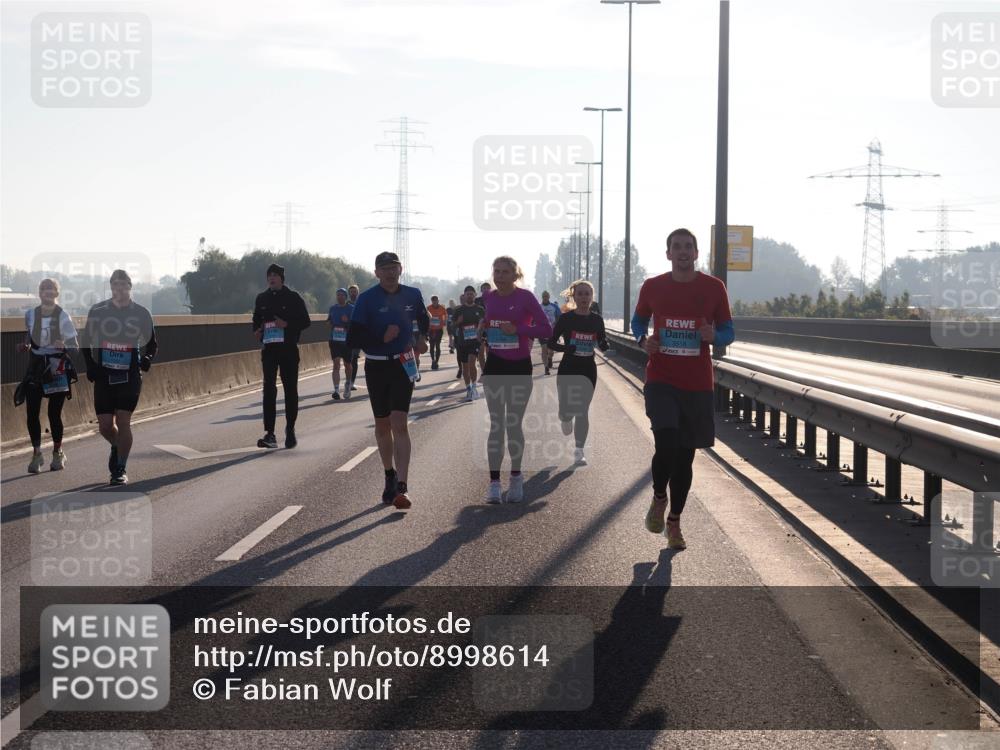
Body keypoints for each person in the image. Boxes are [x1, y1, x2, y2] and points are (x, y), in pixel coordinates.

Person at [631, 228, 735, 550]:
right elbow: (638, 322)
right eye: (676, 246)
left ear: (696, 253)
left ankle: (674, 520)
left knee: (686, 458)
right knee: (667, 443)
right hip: (661, 379)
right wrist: (642, 340)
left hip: (697, 385)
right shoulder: (653, 286)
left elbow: (729, 331)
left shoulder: (714, 288)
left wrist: (713, 337)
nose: (682, 251)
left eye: (688, 246)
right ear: (668, 254)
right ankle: (659, 496)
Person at [346, 252, 429, 510]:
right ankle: (389, 474)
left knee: (399, 422)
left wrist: (421, 338)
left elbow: (423, 319)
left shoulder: (412, 295)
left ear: (401, 269)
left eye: (394, 268)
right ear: (377, 273)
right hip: (376, 366)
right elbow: (353, 339)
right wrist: (380, 337)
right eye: (385, 269)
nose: (390, 273)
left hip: (403, 364)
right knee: (382, 425)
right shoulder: (367, 299)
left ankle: (403, 487)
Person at [479, 257, 553, 503]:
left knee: (513, 424)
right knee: (496, 425)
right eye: (496, 271)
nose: (499, 276)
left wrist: (519, 330)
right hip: (495, 365)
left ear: (515, 275)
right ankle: (493, 484)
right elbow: (489, 321)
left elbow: (546, 329)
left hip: (519, 366)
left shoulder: (526, 297)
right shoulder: (488, 297)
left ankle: (517, 477)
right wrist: (483, 325)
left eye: (505, 272)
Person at [81, 269, 157, 485]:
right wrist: (90, 366)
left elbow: (152, 344)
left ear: (130, 287)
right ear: (111, 287)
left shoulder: (141, 313)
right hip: (105, 375)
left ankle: (120, 469)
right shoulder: (98, 311)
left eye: (123, 285)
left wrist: (148, 358)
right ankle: (117, 445)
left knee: (123, 422)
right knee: (105, 426)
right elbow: (86, 340)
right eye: (115, 285)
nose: (119, 289)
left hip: (130, 375)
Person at [546, 280, 608, 466]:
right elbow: (551, 342)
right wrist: (566, 349)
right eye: (580, 294)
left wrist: (604, 345)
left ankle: (579, 450)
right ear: (574, 296)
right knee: (567, 410)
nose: (583, 297)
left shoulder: (597, 320)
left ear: (592, 297)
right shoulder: (566, 319)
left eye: (587, 294)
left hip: (588, 368)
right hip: (568, 368)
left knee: (582, 410)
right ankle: (564, 416)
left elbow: (602, 341)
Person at [20, 278, 78, 473]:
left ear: (56, 293)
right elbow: (29, 337)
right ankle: (36, 454)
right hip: (36, 367)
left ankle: (57, 452)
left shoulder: (63, 316)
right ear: (39, 293)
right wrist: (25, 345)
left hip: (56, 367)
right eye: (43, 288)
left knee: (54, 413)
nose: (47, 292)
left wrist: (65, 345)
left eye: (50, 289)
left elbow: (75, 347)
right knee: (32, 412)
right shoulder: (30, 315)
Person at [252, 263, 311, 449]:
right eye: (269, 275)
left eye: (275, 275)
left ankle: (290, 429)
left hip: (288, 350)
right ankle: (270, 433)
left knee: (290, 390)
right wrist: (257, 330)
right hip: (269, 350)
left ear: (282, 278)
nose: (272, 278)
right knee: (269, 389)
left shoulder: (293, 297)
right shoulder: (262, 298)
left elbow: (305, 321)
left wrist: (287, 324)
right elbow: (256, 320)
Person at [451, 285, 485, 402]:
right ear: (464, 296)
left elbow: (485, 325)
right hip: (462, 342)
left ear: (475, 295)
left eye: (471, 294)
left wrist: (481, 330)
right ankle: (468, 389)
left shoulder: (480, 309)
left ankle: (474, 387)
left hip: (474, 341)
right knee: (465, 368)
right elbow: (451, 326)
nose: (469, 296)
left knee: (472, 363)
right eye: (467, 294)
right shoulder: (459, 310)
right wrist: (458, 322)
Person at [327, 288, 354, 400]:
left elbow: (355, 324)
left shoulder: (351, 308)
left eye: (342, 295)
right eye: (338, 295)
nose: (339, 297)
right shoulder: (333, 308)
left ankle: (348, 383)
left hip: (347, 341)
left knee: (347, 364)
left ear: (346, 297)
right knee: (336, 364)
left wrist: (347, 321)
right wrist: (330, 324)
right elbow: (329, 321)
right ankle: (336, 390)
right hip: (334, 340)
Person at [538, 290, 561, 375]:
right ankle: (546, 367)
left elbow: (560, 317)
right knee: (544, 349)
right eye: (544, 297)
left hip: (552, 331)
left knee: (551, 351)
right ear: (542, 297)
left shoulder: (554, 306)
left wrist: (556, 324)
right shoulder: (538, 307)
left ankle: (550, 358)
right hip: (542, 332)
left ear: (549, 297)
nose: (545, 298)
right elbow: (534, 317)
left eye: (546, 296)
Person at [426, 295, 448, 370]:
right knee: (432, 346)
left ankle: (437, 361)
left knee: (437, 345)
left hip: (439, 329)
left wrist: (444, 322)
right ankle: (433, 360)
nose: (435, 302)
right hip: (431, 330)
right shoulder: (428, 308)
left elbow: (445, 315)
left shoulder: (442, 308)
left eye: (436, 300)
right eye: (433, 301)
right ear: (432, 301)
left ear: (438, 301)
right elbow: (425, 316)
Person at [474, 282, 492, 372]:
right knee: (480, 352)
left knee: (489, 352)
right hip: (480, 329)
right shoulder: (476, 301)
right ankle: (484, 371)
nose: (485, 289)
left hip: (491, 329)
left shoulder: (495, 299)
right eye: (484, 288)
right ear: (481, 290)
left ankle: (489, 370)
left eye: (487, 288)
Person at [347, 284, 362, 393]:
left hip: (357, 336)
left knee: (354, 359)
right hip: (346, 336)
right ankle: (348, 380)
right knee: (348, 360)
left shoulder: (361, 304)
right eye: (351, 292)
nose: (353, 293)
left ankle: (351, 382)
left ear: (358, 292)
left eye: (354, 291)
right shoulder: (345, 305)